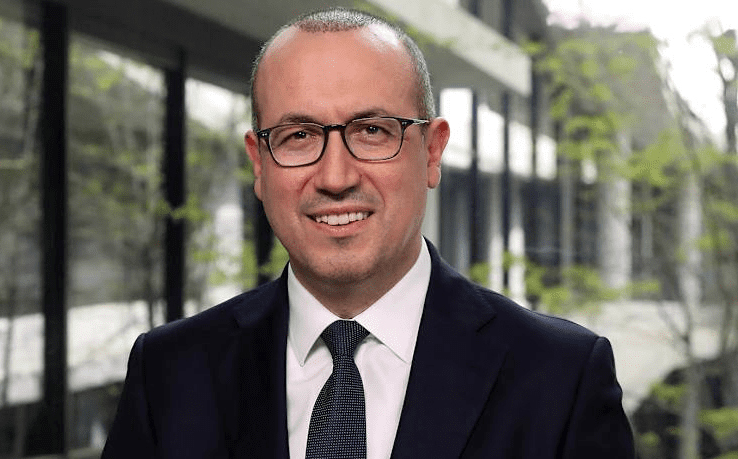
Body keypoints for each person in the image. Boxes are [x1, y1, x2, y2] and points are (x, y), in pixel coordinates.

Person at [102, 7, 635, 459]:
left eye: (372, 131)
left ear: (432, 152)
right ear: (259, 165)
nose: (335, 178)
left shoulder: (560, 379)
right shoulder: (168, 375)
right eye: (298, 135)